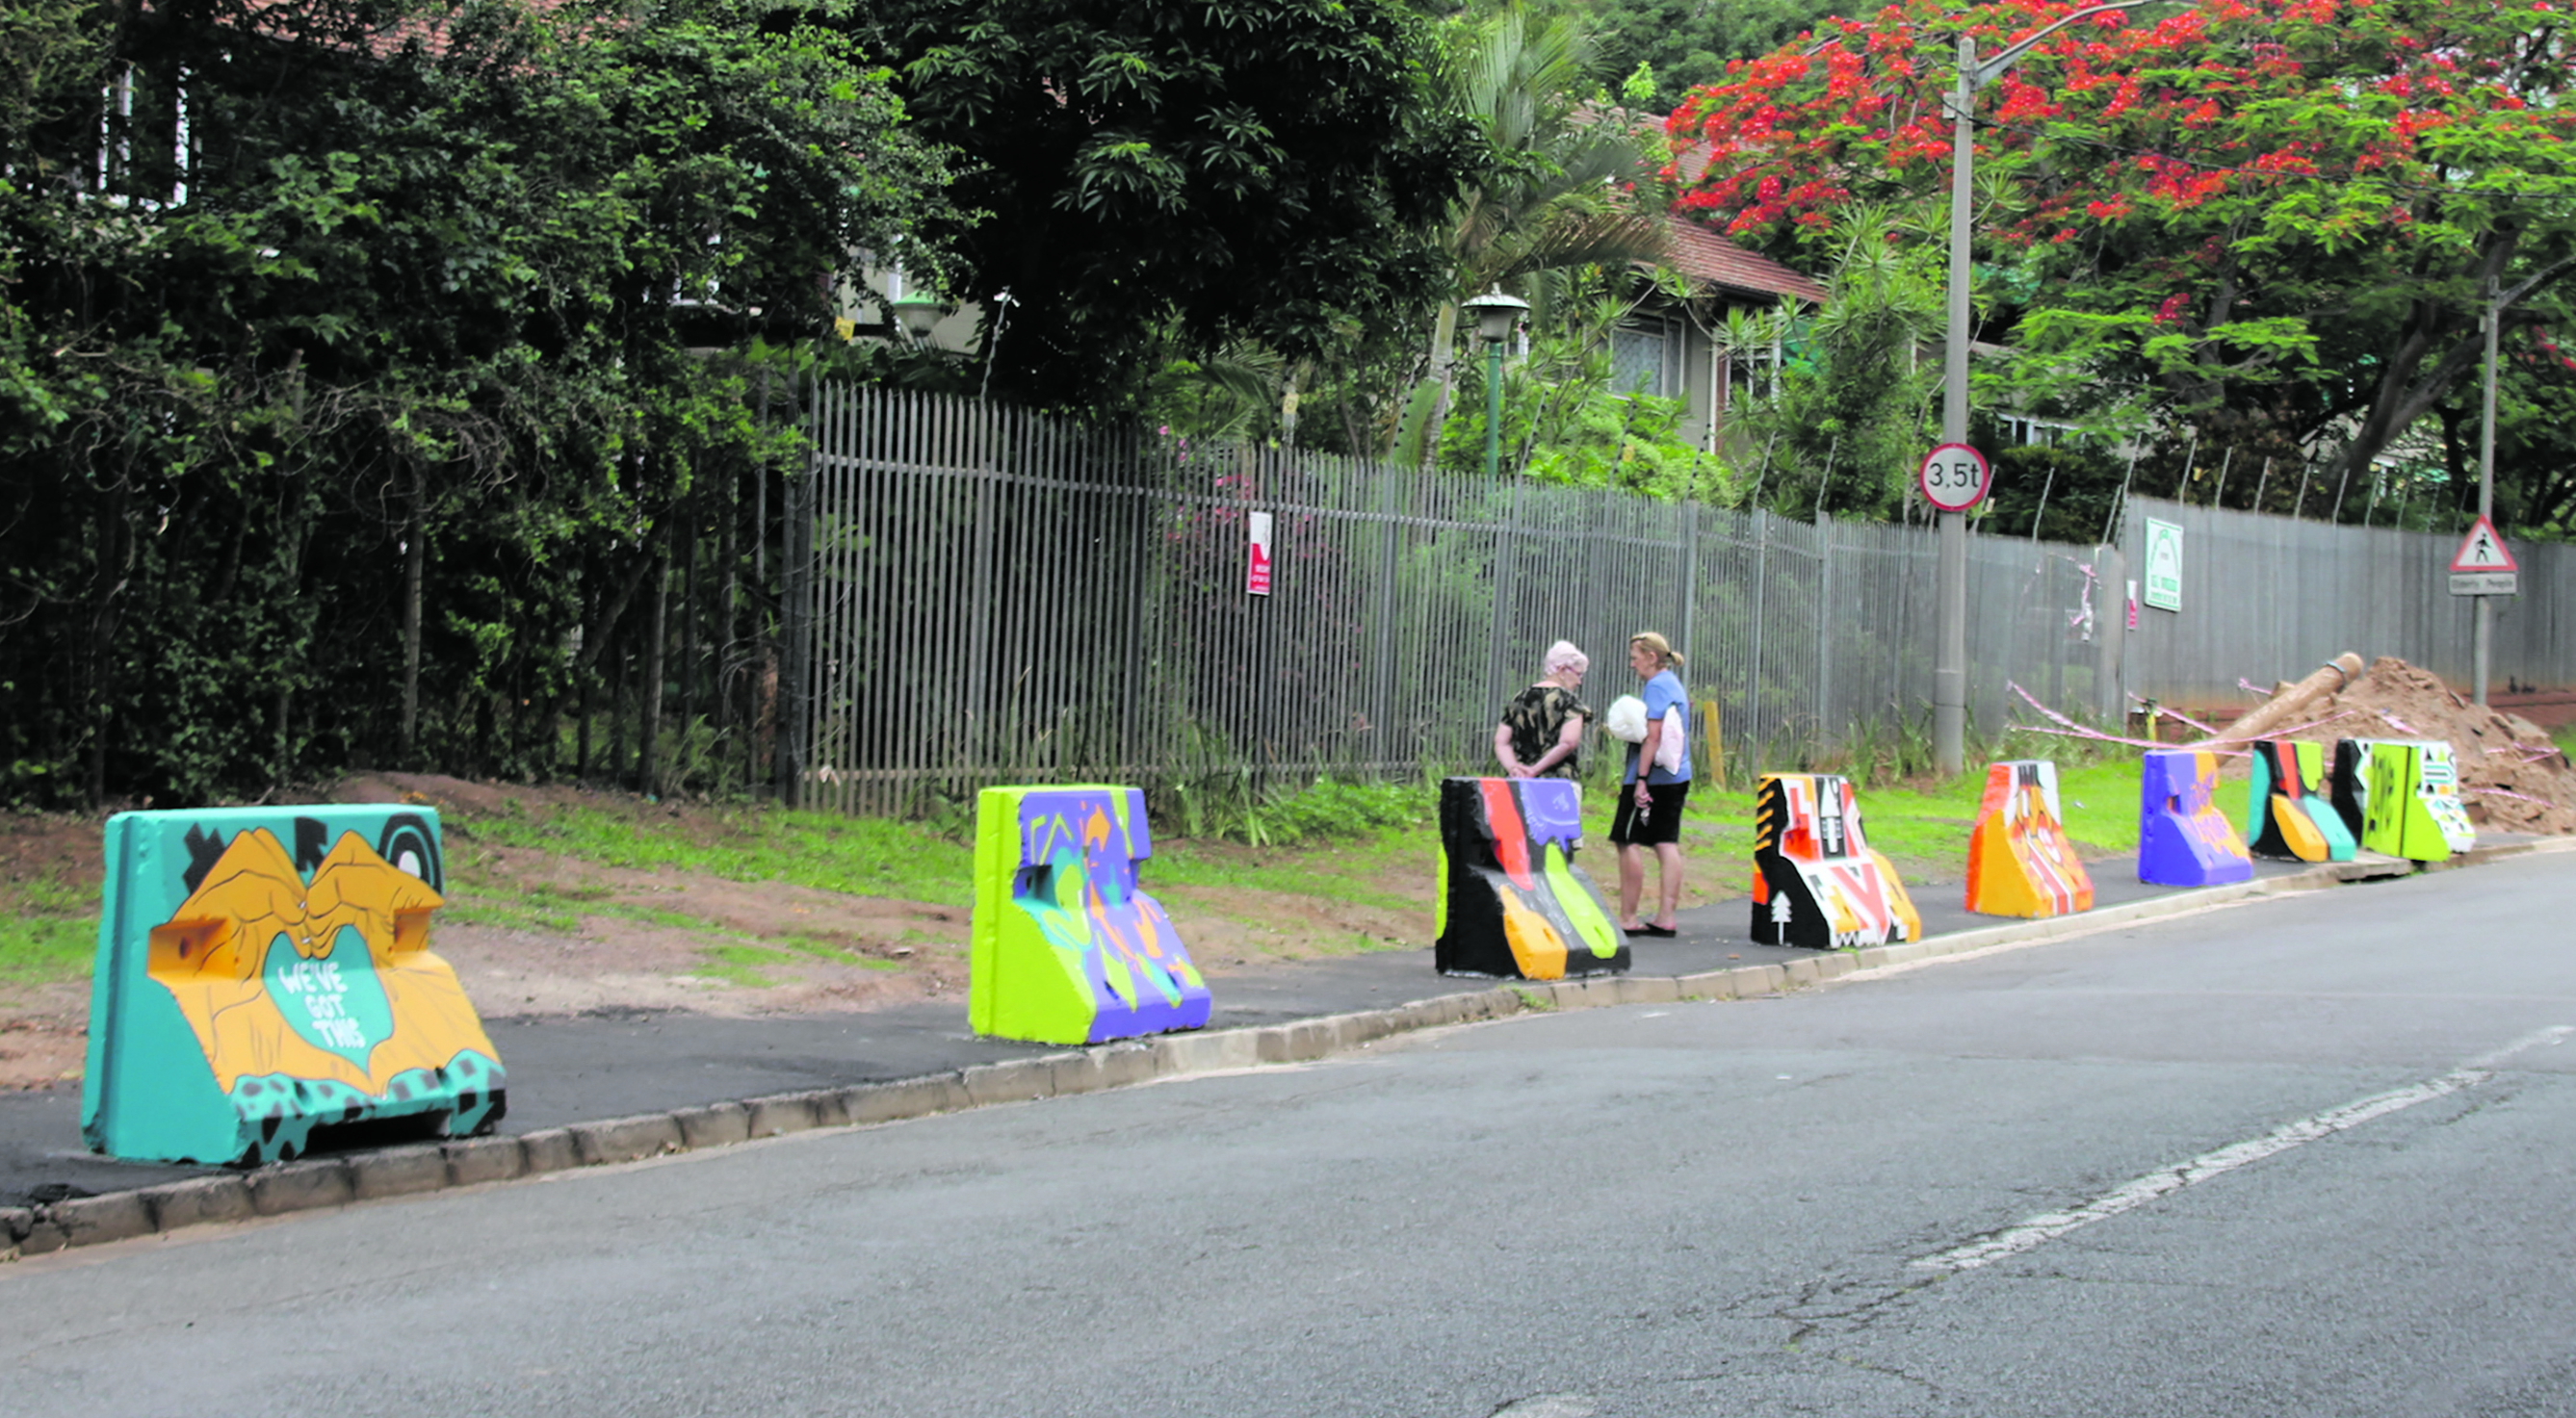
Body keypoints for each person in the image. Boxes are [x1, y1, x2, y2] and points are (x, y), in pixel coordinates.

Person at [1612, 632, 1690, 937]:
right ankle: (1666, 916)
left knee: (1627, 838)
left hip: (1652, 777)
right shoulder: (1673, 683)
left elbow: (1653, 735)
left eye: (1635, 657)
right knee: (1665, 841)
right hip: (1677, 774)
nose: (1632, 665)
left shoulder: (1656, 686)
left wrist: (1641, 779)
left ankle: (1628, 917)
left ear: (1651, 656)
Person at [1493, 641, 1592, 780]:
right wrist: (1535, 770)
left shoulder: (1519, 698)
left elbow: (1501, 741)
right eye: (1578, 674)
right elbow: (1569, 742)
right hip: (1558, 781)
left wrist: (1514, 768)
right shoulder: (1569, 701)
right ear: (1562, 670)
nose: (1579, 682)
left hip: (1520, 782)